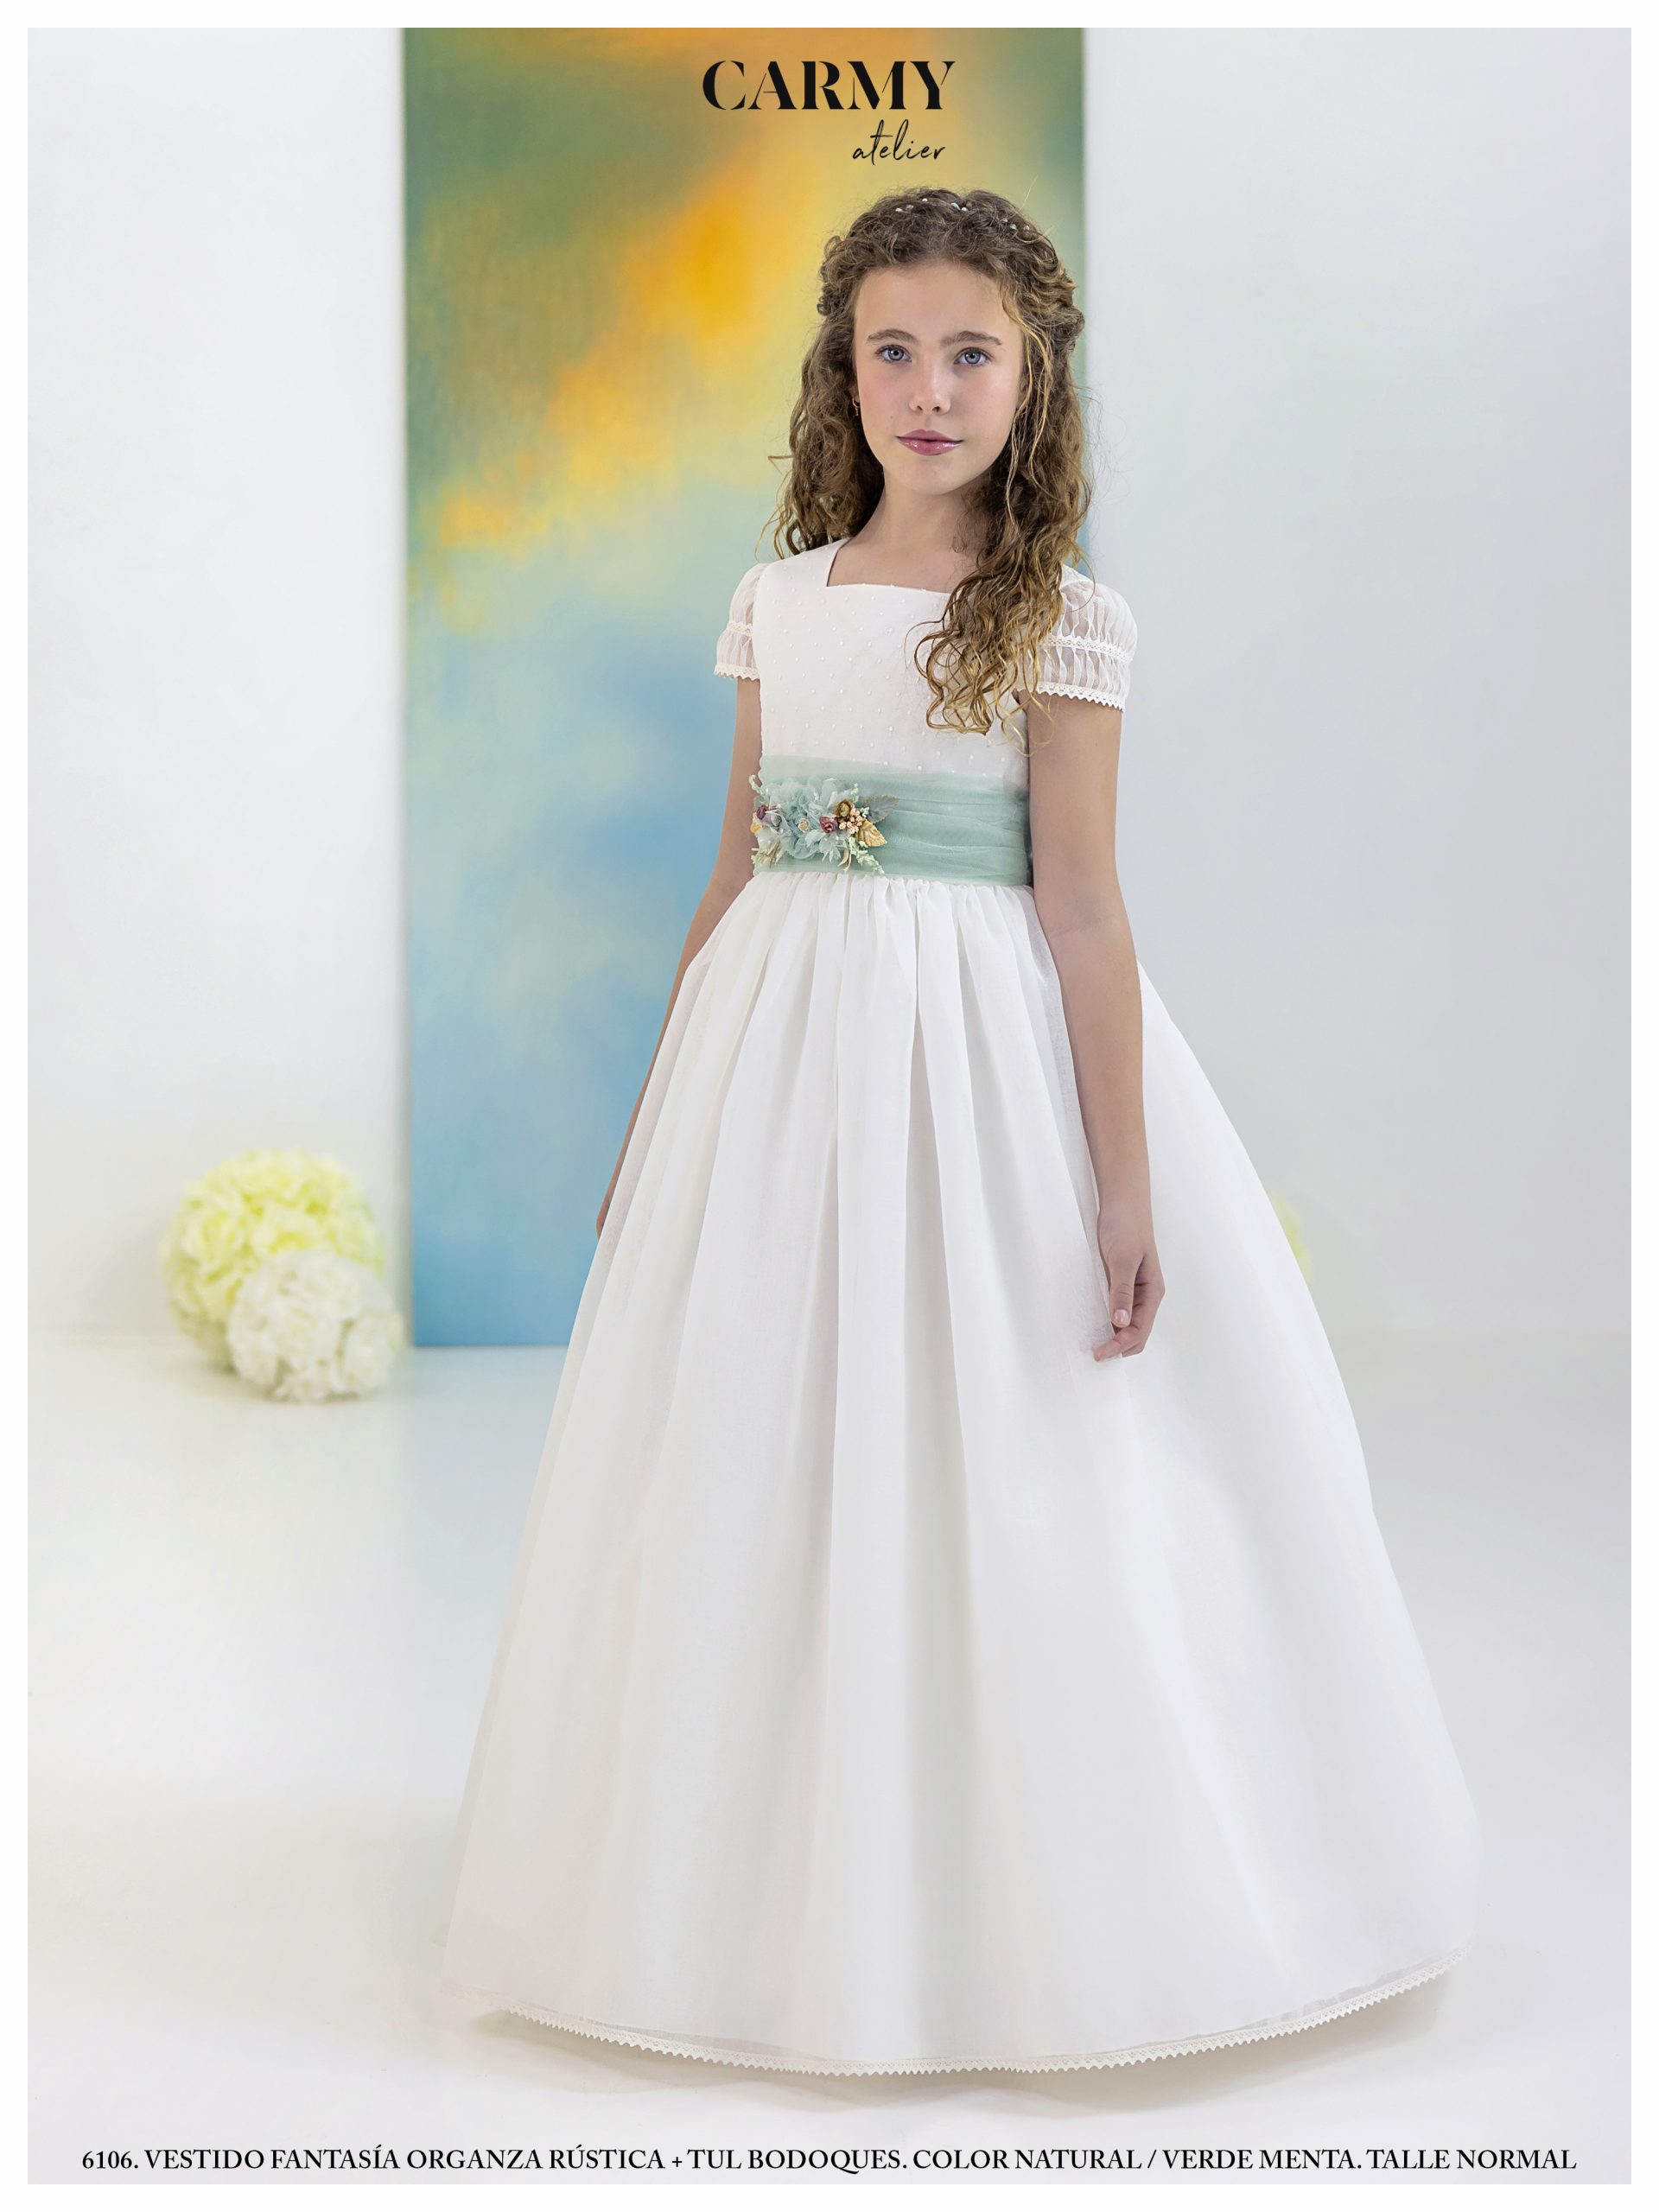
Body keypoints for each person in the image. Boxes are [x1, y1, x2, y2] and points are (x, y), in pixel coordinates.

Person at [432, 185, 1482, 2076]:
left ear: (1032, 376)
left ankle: (1021, 1889)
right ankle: (768, 1885)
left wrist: (1123, 1177)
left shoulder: (1063, 619)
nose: (929, 388)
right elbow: (734, 866)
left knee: (1003, 1442)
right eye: (893, 351)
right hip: (778, 1057)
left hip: (978, 1056)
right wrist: (661, 1107)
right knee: (769, 1434)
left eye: (970, 353)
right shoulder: (779, 601)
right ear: (842, 374)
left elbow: (1081, 905)